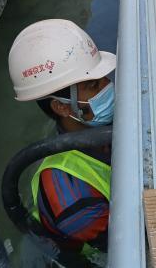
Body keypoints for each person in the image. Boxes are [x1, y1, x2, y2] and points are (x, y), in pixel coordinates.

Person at [8, 19, 115, 264]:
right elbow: (135, 241)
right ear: (62, 107)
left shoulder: (96, 128)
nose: (108, 87)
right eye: (93, 85)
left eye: (104, 78)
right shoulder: (71, 195)